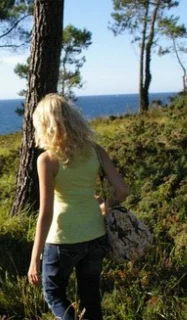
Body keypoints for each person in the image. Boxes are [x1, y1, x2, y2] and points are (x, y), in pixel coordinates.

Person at [27, 94, 130, 320]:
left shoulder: (47, 160)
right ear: (73, 119)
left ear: (45, 125)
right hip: (96, 233)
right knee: (90, 297)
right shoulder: (95, 150)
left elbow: (45, 213)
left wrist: (35, 258)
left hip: (62, 238)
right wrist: (106, 206)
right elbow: (122, 190)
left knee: (53, 294)